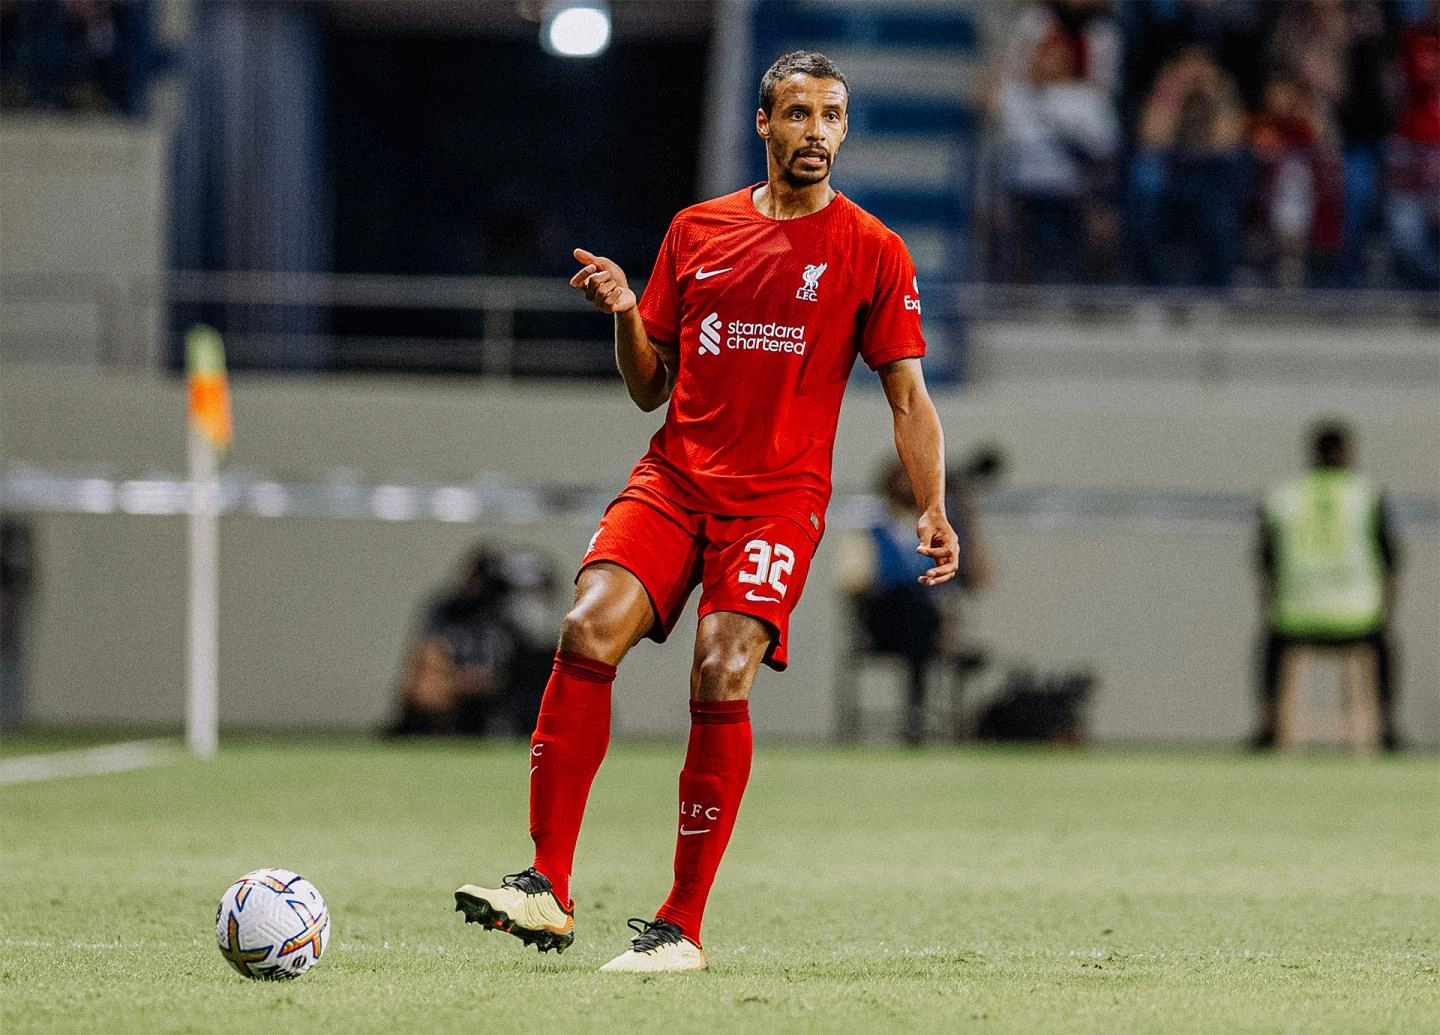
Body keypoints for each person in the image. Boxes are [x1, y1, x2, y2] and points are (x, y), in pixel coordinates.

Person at [453, 50, 959, 973]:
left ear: (846, 129)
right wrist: (623, 312)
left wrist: (932, 504)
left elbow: (909, 398)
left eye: (833, 115)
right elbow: (650, 389)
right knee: (582, 628)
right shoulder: (696, 231)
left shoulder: (873, 250)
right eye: (798, 113)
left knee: (722, 671)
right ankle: (546, 885)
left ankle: (679, 924)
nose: (816, 132)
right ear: (762, 124)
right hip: (674, 482)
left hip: (778, 503)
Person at [1251, 420, 1403, 751]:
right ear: (1347, 453)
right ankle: (1389, 727)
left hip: (1294, 618)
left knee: (1269, 643)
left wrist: (1271, 607)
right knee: (1386, 645)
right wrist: (1386, 612)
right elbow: (1392, 561)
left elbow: (1265, 562)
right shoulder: (1367, 494)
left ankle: (1267, 724)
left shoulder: (1284, 495)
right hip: (1359, 618)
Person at [839, 452, 998, 744]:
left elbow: (976, 580)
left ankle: (917, 712)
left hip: (928, 623)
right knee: (910, 602)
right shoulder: (870, 530)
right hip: (883, 623)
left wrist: (967, 516)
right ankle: (917, 706)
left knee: (923, 612)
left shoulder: (939, 533)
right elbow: (854, 584)